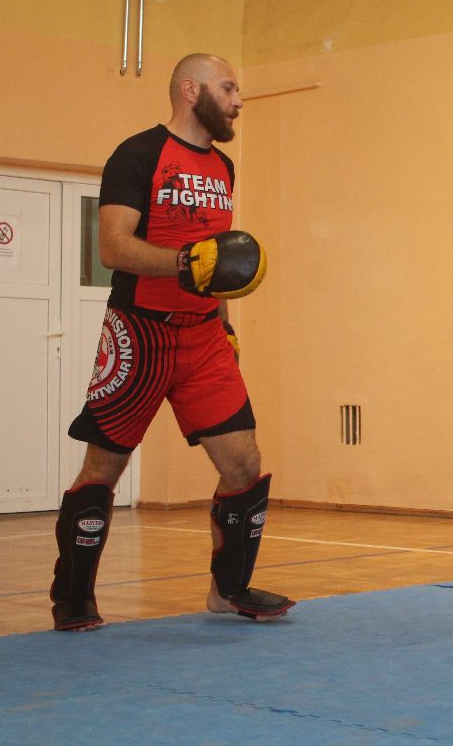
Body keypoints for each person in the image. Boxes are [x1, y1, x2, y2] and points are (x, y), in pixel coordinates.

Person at [50, 53, 294, 631]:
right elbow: (113, 247)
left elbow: (219, 259)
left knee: (244, 462)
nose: (238, 100)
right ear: (191, 90)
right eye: (228, 88)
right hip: (140, 331)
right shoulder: (137, 154)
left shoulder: (224, 168)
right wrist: (183, 263)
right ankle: (73, 595)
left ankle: (227, 591)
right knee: (105, 465)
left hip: (204, 336)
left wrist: (225, 324)